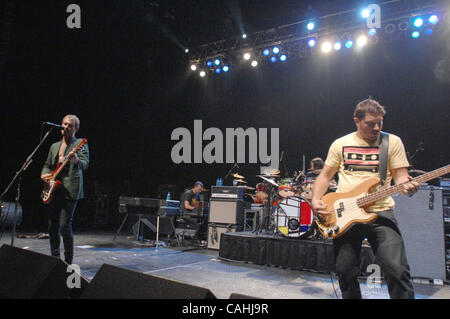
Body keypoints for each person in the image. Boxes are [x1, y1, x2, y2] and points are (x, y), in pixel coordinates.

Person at [311, 98, 419, 299]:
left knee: (397, 270)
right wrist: (316, 199)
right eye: (371, 123)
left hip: (381, 212)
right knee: (345, 270)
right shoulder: (341, 144)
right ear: (357, 121)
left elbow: (401, 177)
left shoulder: (392, 142)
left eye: (380, 122)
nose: (377, 127)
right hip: (344, 215)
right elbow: (325, 175)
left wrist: (409, 187)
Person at [40, 115, 89, 265]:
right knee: (52, 225)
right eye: (64, 124)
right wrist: (43, 175)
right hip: (54, 189)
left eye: (70, 125)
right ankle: (55, 259)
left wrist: (75, 160)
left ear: (76, 129)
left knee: (64, 226)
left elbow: (85, 164)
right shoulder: (54, 146)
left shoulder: (80, 143)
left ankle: (68, 262)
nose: (66, 127)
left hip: (70, 189)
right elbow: (48, 165)